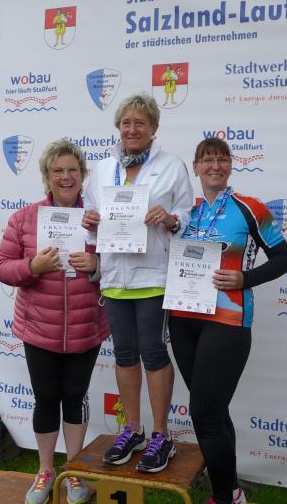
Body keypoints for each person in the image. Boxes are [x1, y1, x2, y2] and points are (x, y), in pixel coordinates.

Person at [168, 137, 287, 504]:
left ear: (231, 165)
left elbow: (284, 259)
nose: (215, 166)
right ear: (195, 167)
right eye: (207, 160)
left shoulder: (250, 208)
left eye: (222, 159)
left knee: (204, 414)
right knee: (214, 410)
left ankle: (225, 497)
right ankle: (231, 489)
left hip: (227, 320)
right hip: (182, 319)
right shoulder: (185, 212)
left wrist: (245, 278)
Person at [0, 140, 110, 504]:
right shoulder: (24, 218)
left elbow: (126, 266)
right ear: (47, 176)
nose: (65, 177)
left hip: (86, 326)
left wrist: (98, 266)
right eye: (58, 170)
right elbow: (1, 266)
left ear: (83, 175)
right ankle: (45, 471)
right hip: (38, 328)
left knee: (75, 398)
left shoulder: (98, 219)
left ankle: (73, 472)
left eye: (72, 170)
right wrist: (32, 266)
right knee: (45, 400)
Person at [83, 93, 194, 473]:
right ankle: (133, 429)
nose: (132, 129)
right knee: (124, 354)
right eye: (126, 123)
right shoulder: (102, 169)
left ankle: (162, 434)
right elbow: (91, 218)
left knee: (153, 352)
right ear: (118, 127)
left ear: (154, 128)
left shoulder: (172, 165)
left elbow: (186, 215)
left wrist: (170, 218)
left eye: (140, 123)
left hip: (153, 275)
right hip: (115, 275)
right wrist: (90, 221)